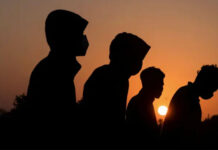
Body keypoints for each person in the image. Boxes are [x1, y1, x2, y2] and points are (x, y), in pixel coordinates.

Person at [10, 9, 89, 144]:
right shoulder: (53, 71)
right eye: (79, 34)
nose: (84, 39)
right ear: (66, 37)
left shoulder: (61, 69)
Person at [79, 32, 150, 145]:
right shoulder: (106, 76)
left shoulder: (121, 79)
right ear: (124, 56)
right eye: (137, 58)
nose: (139, 64)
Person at [162, 65, 218, 145]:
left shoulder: (187, 94)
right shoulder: (186, 97)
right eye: (213, 89)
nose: (212, 94)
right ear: (206, 82)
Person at [126, 67, 165, 145]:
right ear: (151, 83)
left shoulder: (142, 101)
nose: (162, 87)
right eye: (160, 83)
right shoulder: (141, 103)